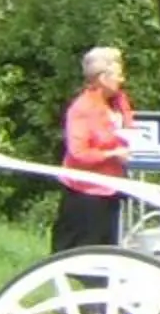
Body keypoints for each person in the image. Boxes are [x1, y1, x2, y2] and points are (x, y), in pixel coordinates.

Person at [55, 45, 132, 254]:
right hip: (87, 193)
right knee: (86, 251)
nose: (122, 79)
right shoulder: (82, 109)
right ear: (102, 77)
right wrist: (113, 154)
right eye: (118, 74)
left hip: (113, 186)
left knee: (110, 247)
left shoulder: (119, 102)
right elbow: (78, 153)